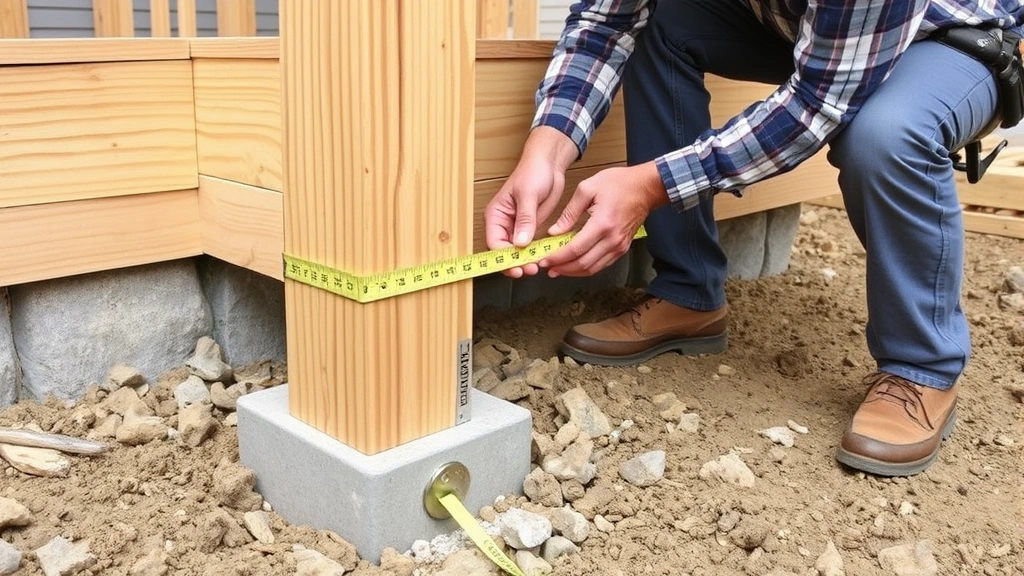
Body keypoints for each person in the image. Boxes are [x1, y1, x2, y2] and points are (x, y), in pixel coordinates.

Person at [484, 0, 1024, 477]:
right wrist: (546, 148)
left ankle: (922, 366)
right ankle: (688, 292)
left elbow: (819, 103)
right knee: (660, 21)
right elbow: (608, 21)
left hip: (945, 40)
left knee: (883, 135)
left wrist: (653, 185)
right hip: (812, 31)